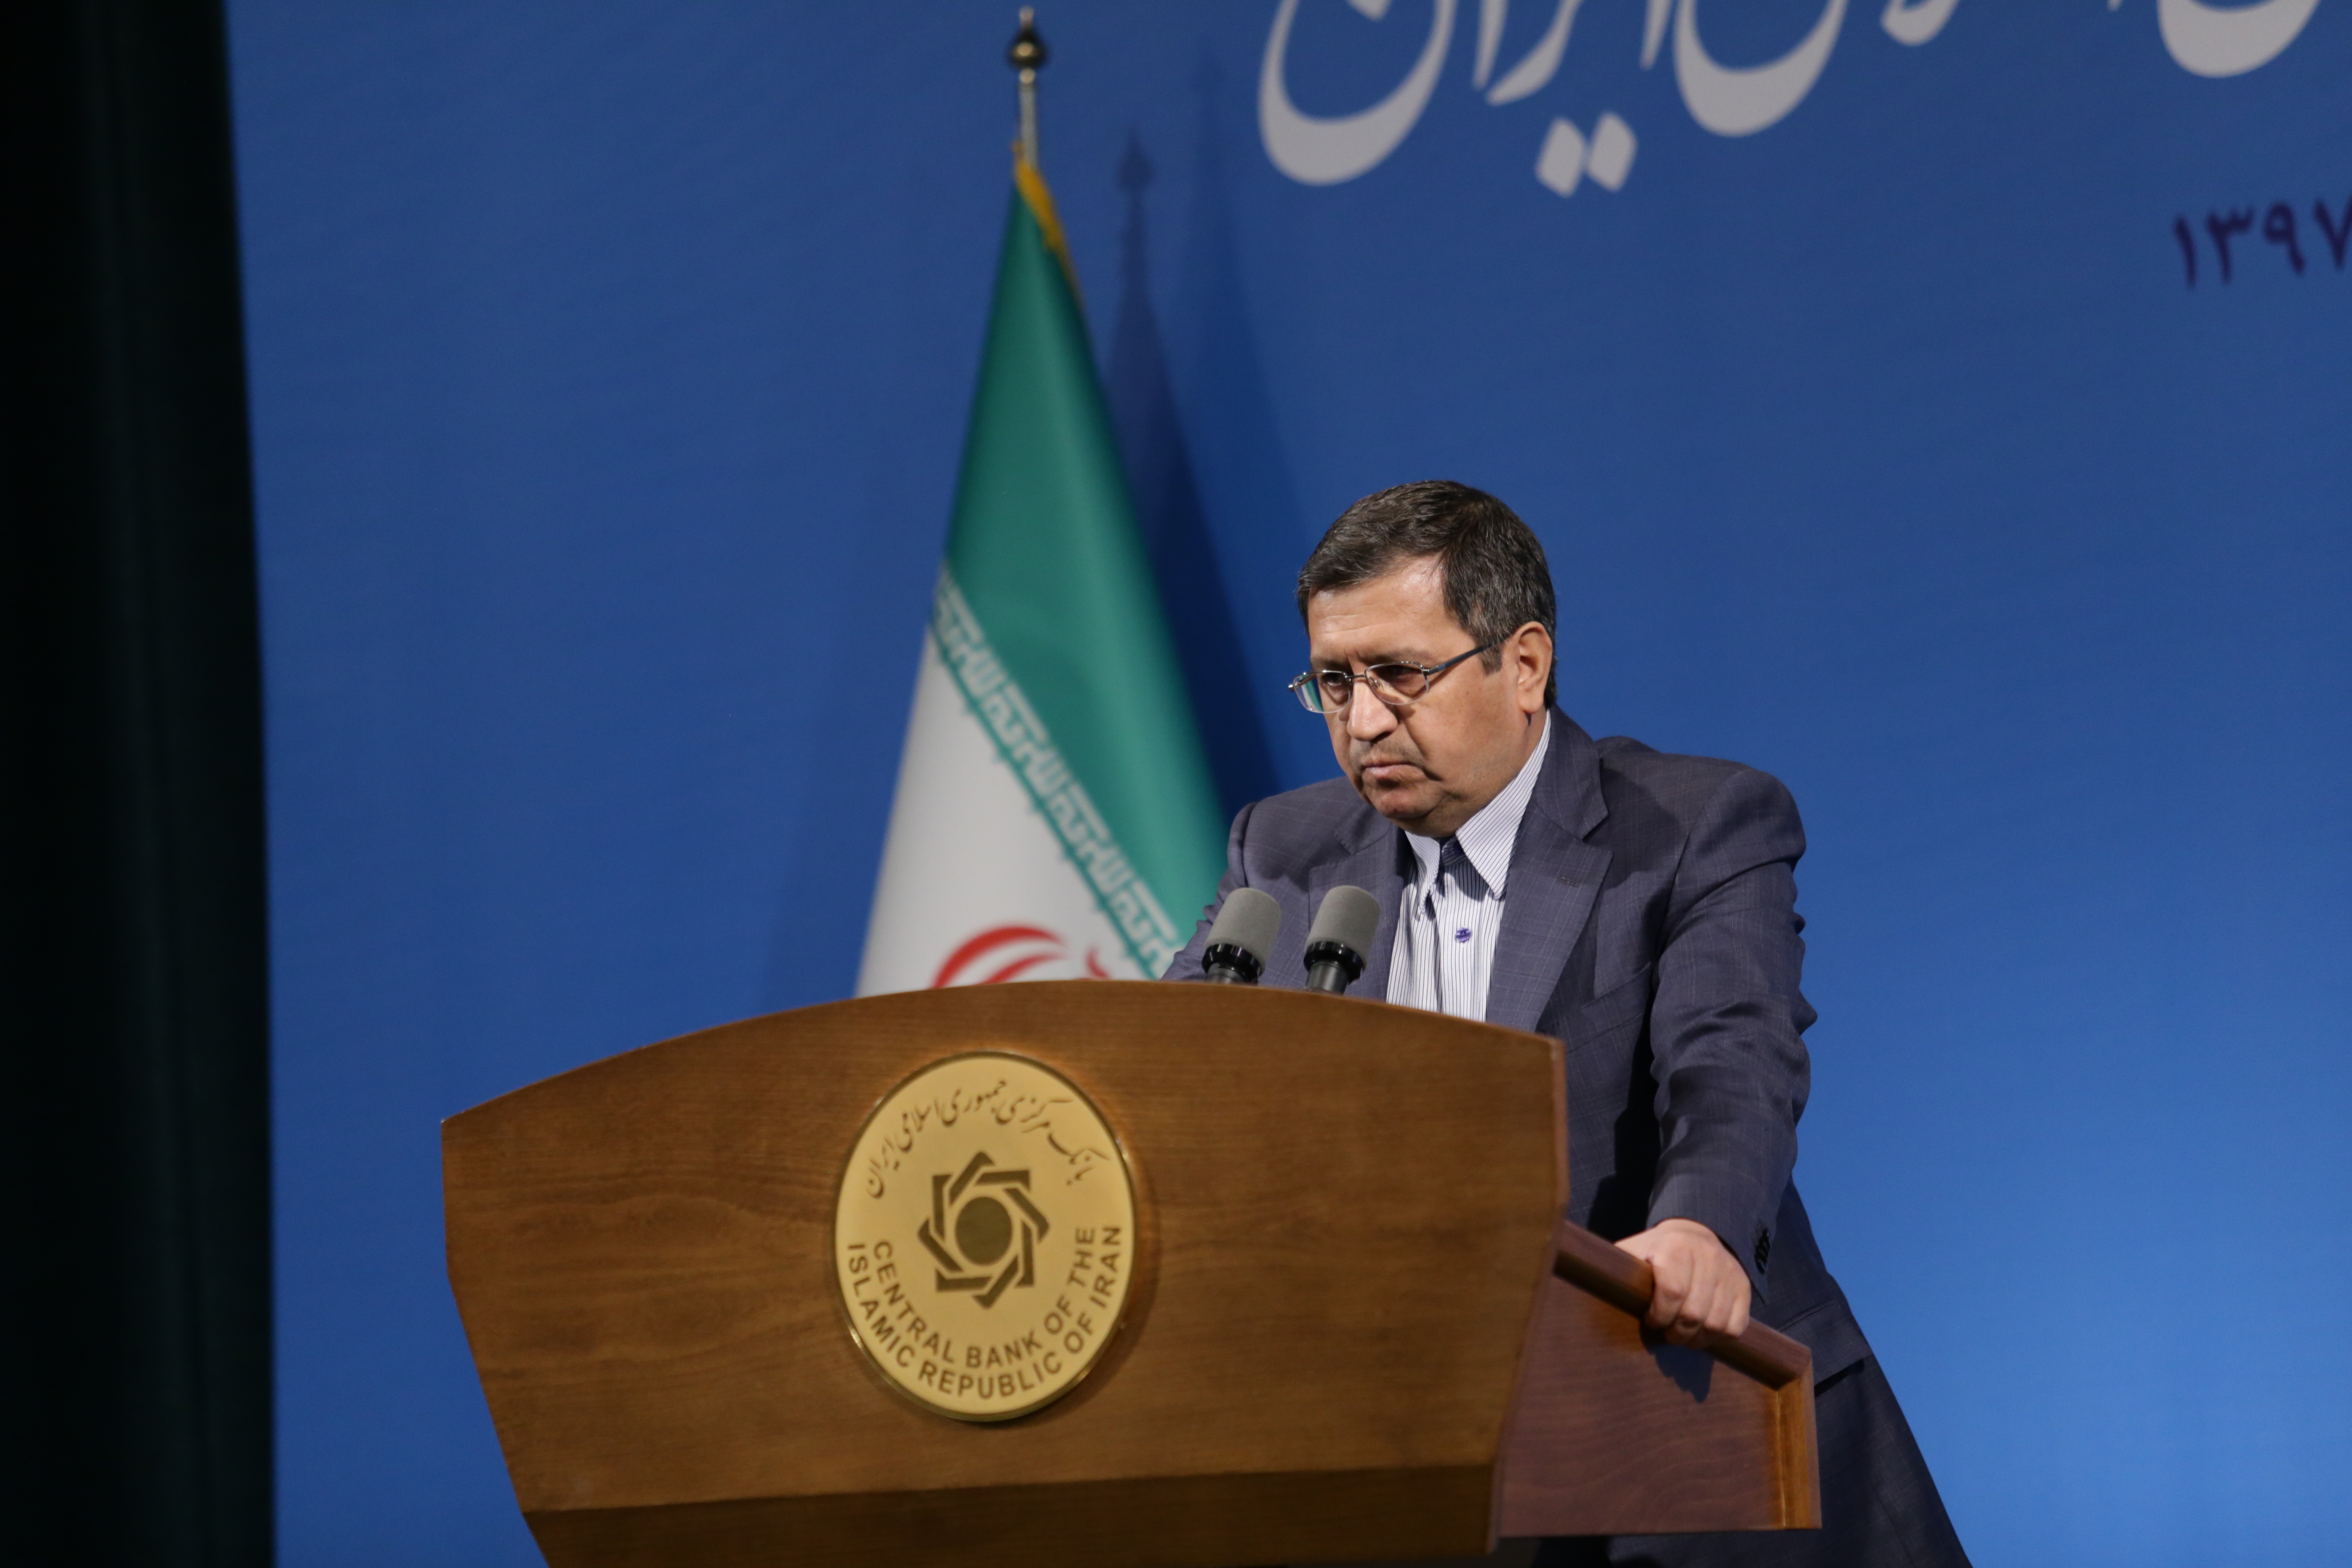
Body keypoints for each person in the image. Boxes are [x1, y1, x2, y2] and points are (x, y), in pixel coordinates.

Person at [1164, 481, 1970, 1567]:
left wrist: (1700, 1228)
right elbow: (1176, 1072)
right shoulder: (1282, 851)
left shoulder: (1694, 826)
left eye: (1401, 675)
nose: (1362, 723)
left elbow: (1732, 1059)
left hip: (1698, 1422)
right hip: (1426, 1458)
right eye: (1335, 683)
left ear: (1526, 665)